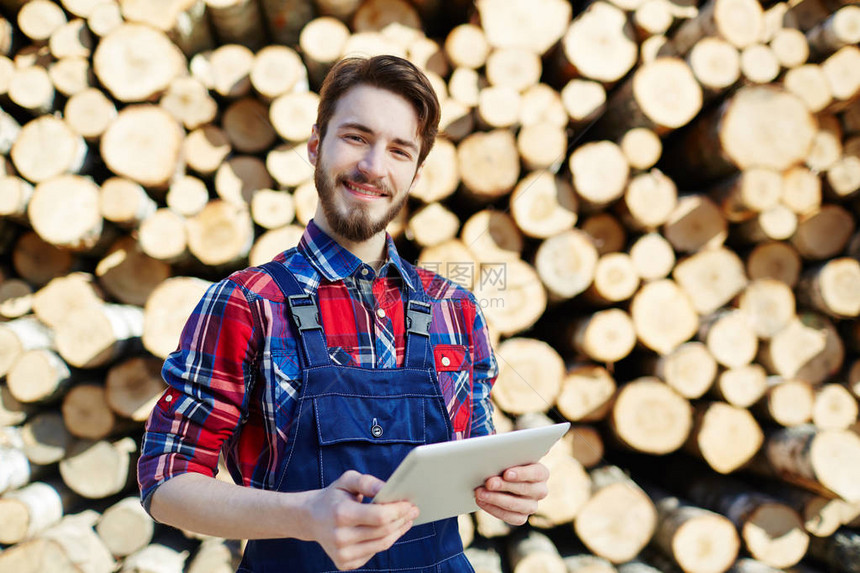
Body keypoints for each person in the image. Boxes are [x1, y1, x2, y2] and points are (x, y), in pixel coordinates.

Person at [138, 54, 549, 572]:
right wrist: (303, 514)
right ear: (315, 145)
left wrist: (509, 488)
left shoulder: (456, 309)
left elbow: (475, 461)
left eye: (399, 150)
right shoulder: (247, 302)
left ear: (417, 172)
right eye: (356, 137)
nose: (374, 167)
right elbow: (166, 481)